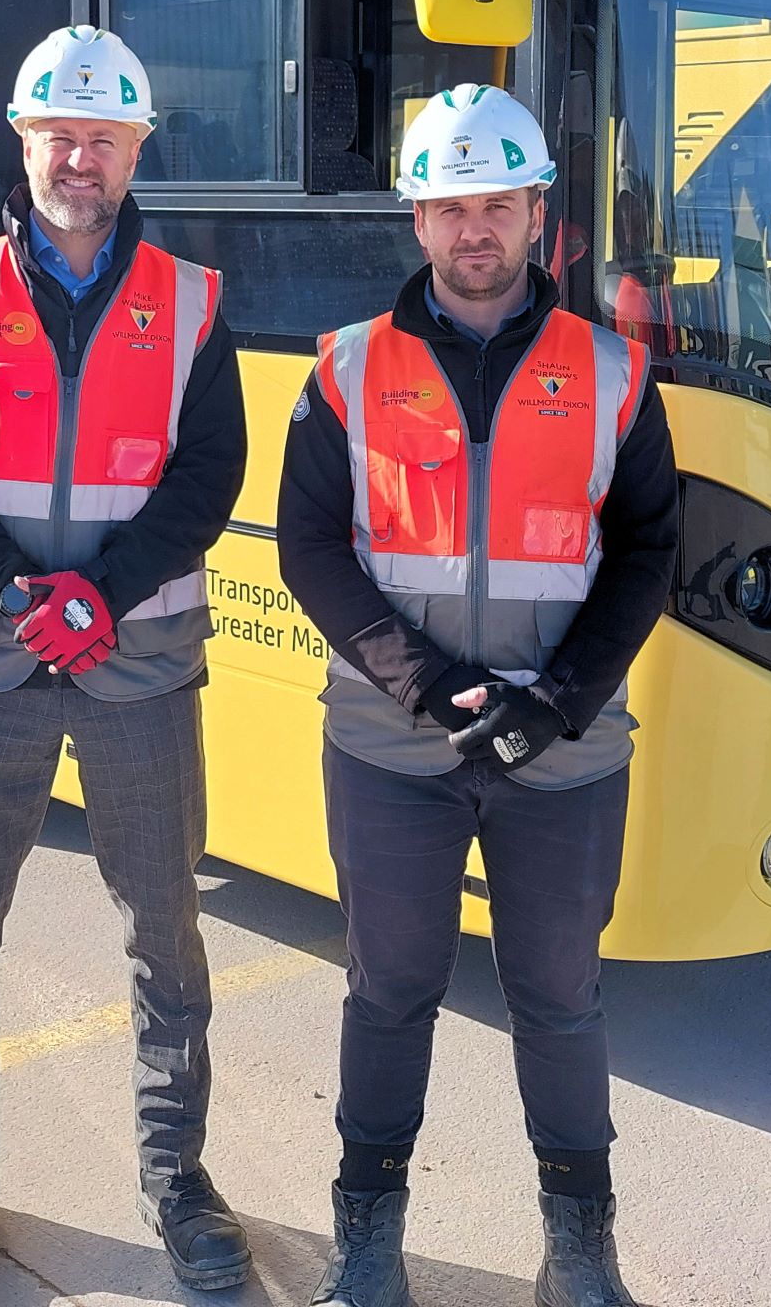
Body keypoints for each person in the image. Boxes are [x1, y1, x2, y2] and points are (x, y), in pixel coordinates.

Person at [277, 83, 678, 1307]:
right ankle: (365, 1238)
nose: (472, 231)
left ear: (534, 212)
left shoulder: (611, 372)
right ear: (415, 219)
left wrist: (553, 703)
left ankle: (578, 1248)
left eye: (493, 204)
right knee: (388, 990)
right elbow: (310, 550)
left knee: (558, 1000)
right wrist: (433, 688)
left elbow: (648, 551)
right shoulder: (348, 368)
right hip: (392, 750)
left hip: (560, 755)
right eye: (449, 207)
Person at [0, 24, 250, 1303]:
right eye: (57, 135)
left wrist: (106, 591)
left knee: (166, 940)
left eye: (102, 138)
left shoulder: (191, 301)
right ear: (22, 143)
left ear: (136, 150)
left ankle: (176, 1180)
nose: (77, 159)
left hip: (135, 668)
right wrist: (23, 588)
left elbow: (208, 475)